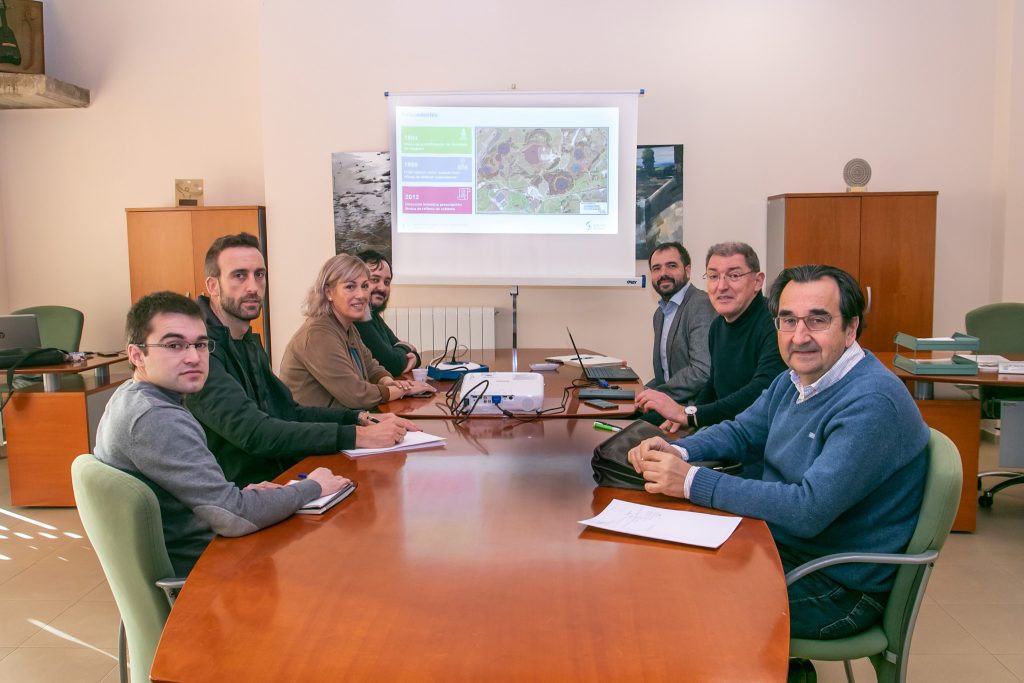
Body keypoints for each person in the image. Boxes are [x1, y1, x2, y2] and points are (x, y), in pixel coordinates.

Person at [629, 264, 929, 644]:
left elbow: (807, 509)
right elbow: (741, 431)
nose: (799, 336)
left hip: (837, 586)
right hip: (786, 546)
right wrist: (678, 448)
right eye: (788, 321)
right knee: (663, 567)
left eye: (817, 320)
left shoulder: (872, 401)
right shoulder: (796, 378)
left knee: (681, 604)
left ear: (851, 329)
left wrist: (689, 480)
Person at [94, 291, 352, 575]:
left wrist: (237, 496)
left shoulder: (130, 397)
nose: (193, 357)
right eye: (174, 345)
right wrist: (313, 486)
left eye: (201, 345)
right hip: (208, 576)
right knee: (338, 563)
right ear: (137, 354)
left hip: (204, 555)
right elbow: (235, 516)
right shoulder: (157, 418)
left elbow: (217, 502)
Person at [185, 233, 418, 487]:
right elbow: (256, 433)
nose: (253, 287)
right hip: (242, 493)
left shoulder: (245, 339)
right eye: (239, 275)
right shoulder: (199, 350)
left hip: (279, 474)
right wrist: (356, 435)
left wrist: (358, 419)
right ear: (212, 285)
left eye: (259, 274)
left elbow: (287, 411)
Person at [637, 241, 787, 432]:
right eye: (714, 276)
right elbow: (713, 384)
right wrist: (690, 415)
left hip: (756, 439)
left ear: (757, 281)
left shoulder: (775, 322)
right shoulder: (718, 325)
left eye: (734, 275)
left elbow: (762, 390)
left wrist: (691, 416)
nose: (721, 286)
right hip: (726, 430)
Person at [279, 253, 435, 410]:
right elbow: (357, 395)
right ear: (328, 292)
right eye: (350, 286)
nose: (361, 295)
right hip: (315, 429)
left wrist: (388, 381)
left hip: (339, 422)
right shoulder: (318, 334)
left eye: (365, 286)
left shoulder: (347, 326)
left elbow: (371, 366)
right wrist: (403, 389)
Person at [642, 242, 715, 405]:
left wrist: (656, 395)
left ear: (687, 271)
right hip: (669, 403)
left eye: (671, 266)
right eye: (656, 268)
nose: (663, 273)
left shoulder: (700, 304)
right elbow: (666, 377)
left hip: (691, 409)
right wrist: (640, 392)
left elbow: (702, 371)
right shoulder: (660, 314)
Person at [355, 249, 421, 376]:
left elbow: (400, 353)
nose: (382, 288)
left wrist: (413, 356)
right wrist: (406, 347)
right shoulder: (358, 319)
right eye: (375, 280)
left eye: (387, 282)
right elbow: (391, 364)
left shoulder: (373, 315)